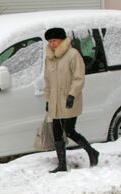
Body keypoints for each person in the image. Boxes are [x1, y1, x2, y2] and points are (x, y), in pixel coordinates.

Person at [44, 27, 99, 173]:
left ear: (62, 40)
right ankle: (62, 165)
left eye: (54, 40)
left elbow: (79, 77)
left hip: (69, 100)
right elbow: (47, 80)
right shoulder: (49, 58)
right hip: (55, 101)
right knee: (56, 131)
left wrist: (72, 95)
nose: (52, 44)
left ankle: (92, 152)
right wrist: (48, 99)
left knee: (69, 131)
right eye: (50, 41)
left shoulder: (72, 55)